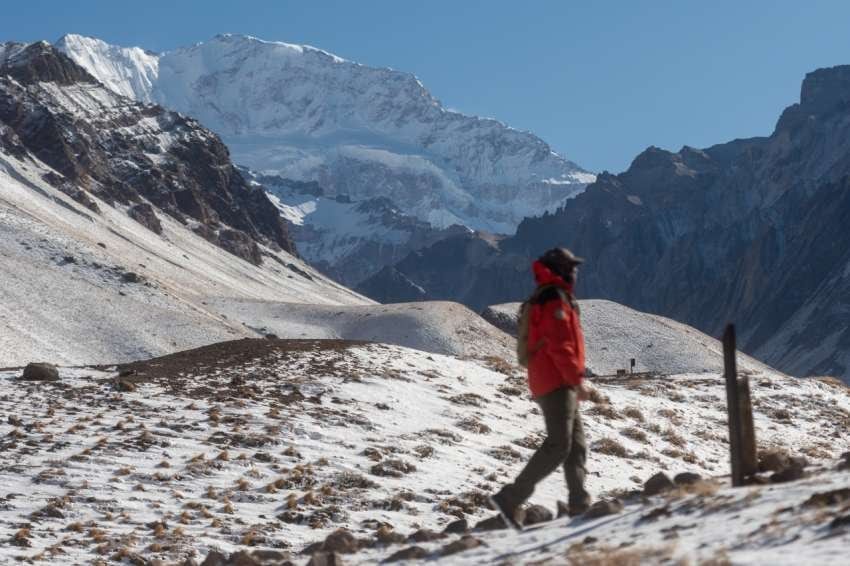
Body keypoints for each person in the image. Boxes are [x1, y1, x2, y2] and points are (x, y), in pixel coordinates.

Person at [489, 247, 591, 528]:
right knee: (559, 444)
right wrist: (575, 381)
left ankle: (579, 502)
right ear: (561, 269)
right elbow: (561, 345)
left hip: (551, 379)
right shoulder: (555, 300)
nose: (575, 272)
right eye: (571, 267)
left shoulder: (547, 296)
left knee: (576, 445)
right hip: (557, 380)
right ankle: (511, 497)